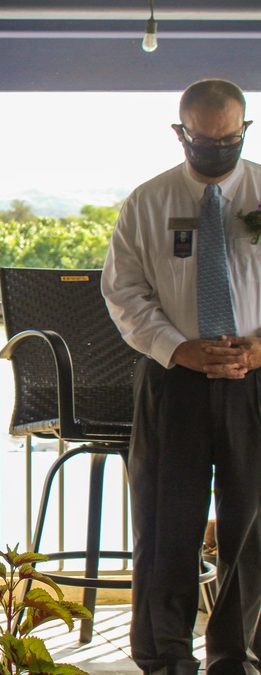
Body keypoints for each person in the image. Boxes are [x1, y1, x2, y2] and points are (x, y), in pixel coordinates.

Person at [102, 79, 261, 675]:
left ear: (244, 130)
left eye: (231, 138)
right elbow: (123, 292)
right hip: (176, 380)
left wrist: (259, 348)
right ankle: (166, 658)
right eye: (205, 138)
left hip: (255, 379)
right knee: (167, 522)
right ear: (181, 133)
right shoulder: (148, 201)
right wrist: (179, 349)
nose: (218, 148)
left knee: (252, 526)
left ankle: (235, 658)